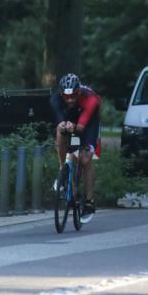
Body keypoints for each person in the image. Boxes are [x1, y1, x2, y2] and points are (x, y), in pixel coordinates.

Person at [50, 73, 101, 217]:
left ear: (79, 92)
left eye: (74, 95)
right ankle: (63, 170)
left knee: (85, 160)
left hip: (89, 120)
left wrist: (76, 127)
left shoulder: (90, 99)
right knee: (60, 132)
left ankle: (90, 200)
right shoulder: (55, 99)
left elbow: (81, 127)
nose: (70, 99)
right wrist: (63, 125)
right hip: (72, 117)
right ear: (61, 94)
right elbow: (60, 119)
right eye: (66, 97)